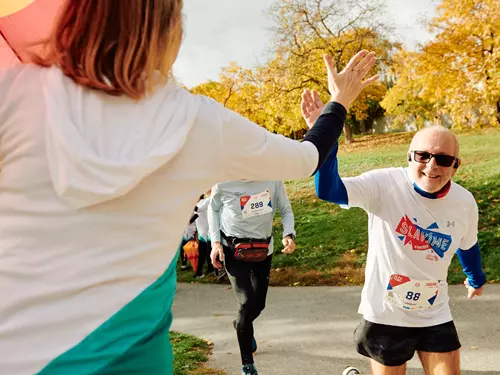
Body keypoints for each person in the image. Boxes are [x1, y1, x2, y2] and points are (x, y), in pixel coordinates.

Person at [0, 0, 378, 372]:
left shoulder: (16, 90)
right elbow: (307, 158)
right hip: (131, 360)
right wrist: (339, 99)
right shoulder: (200, 123)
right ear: (170, 31)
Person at [301, 91, 487, 375]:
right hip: (385, 315)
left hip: (434, 312)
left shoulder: (464, 202)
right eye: (422, 155)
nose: (432, 165)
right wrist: (325, 135)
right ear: (409, 157)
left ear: (456, 165)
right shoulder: (383, 184)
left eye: (443, 159)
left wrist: (475, 277)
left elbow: (468, 245)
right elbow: (329, 190)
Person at [209, 180, 297, 375]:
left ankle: (241, 323)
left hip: (263, 251)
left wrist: (289, 234)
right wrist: (215, 242)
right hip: (233, 251)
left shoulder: (273, 179)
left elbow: (286, 209)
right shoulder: (224, 181)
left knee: (258, 305)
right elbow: (213, 209)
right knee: (247, 302)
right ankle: (247, 365)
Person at [194, 190, 214, 278]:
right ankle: (209, 269)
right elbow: (195, 216)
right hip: (201, 232)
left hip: (207, 232)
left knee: (203, 253)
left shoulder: (208, 200)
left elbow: (198, 209)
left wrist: (187, 205)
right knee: (204, 253)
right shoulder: (200, 202)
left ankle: (199, 272)